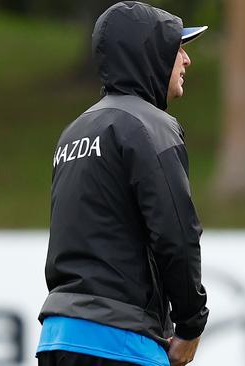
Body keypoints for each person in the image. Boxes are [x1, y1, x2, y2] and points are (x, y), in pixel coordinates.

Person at [36, 2, 209, 365]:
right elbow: (177, 236)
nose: (186, 60)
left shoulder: (74, 132)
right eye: (177, 48)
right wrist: (191, 326)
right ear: (150, 53)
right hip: (120, 342)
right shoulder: (150, 125)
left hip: (57, 339)